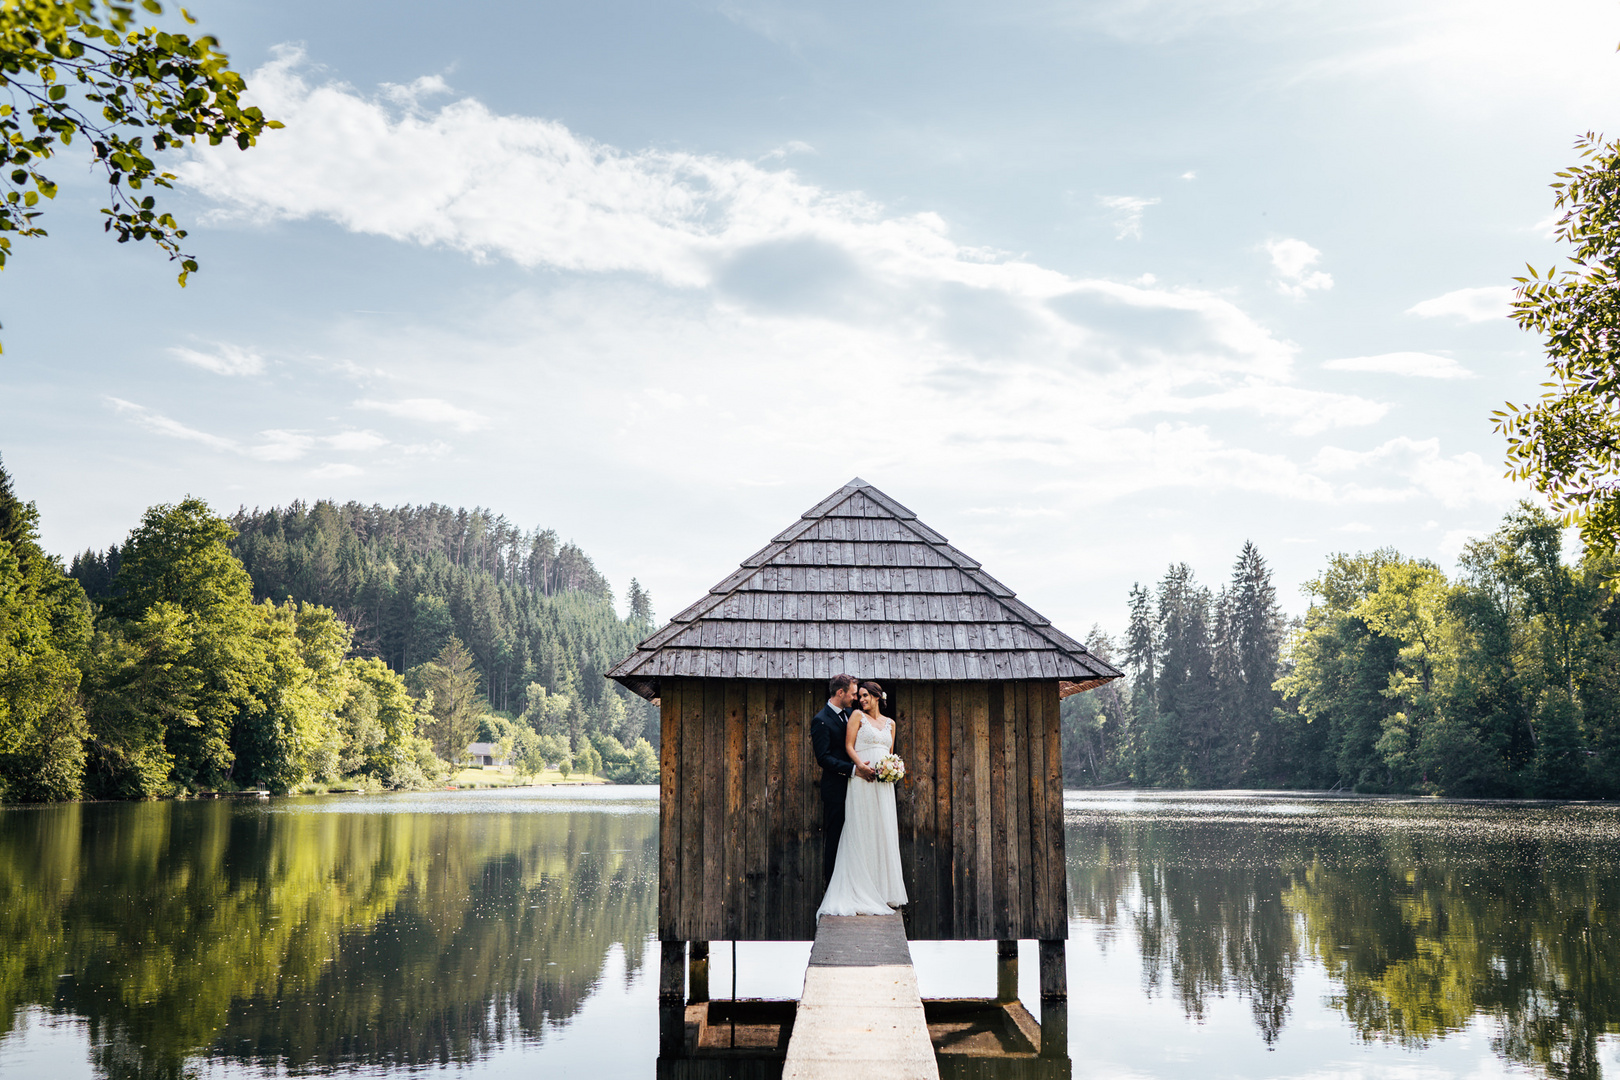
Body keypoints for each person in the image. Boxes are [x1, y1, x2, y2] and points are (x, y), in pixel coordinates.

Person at [816, 679, 908, 917]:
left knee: (882, 830)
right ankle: (859, 889)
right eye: (859, 695)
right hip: (862, 779)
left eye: (866, 696)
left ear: (878, 697)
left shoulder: (890, 723)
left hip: (883, 784)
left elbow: (889, 753)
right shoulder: (854, 715)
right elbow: (848, 747)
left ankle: (882, 889)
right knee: (861, 830)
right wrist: (858, 768)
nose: (861, 699)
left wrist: (893, 767)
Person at [811, 674, 873, 884]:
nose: (856, 698)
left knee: (856, 837)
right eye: (853, 694)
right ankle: (832, 888)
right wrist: (854, 770)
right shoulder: (821, 720)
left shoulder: (850, 714)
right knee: (836, 839)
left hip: (858, 788)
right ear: (840, 693)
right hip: (836, 789)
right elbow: (824, 758)